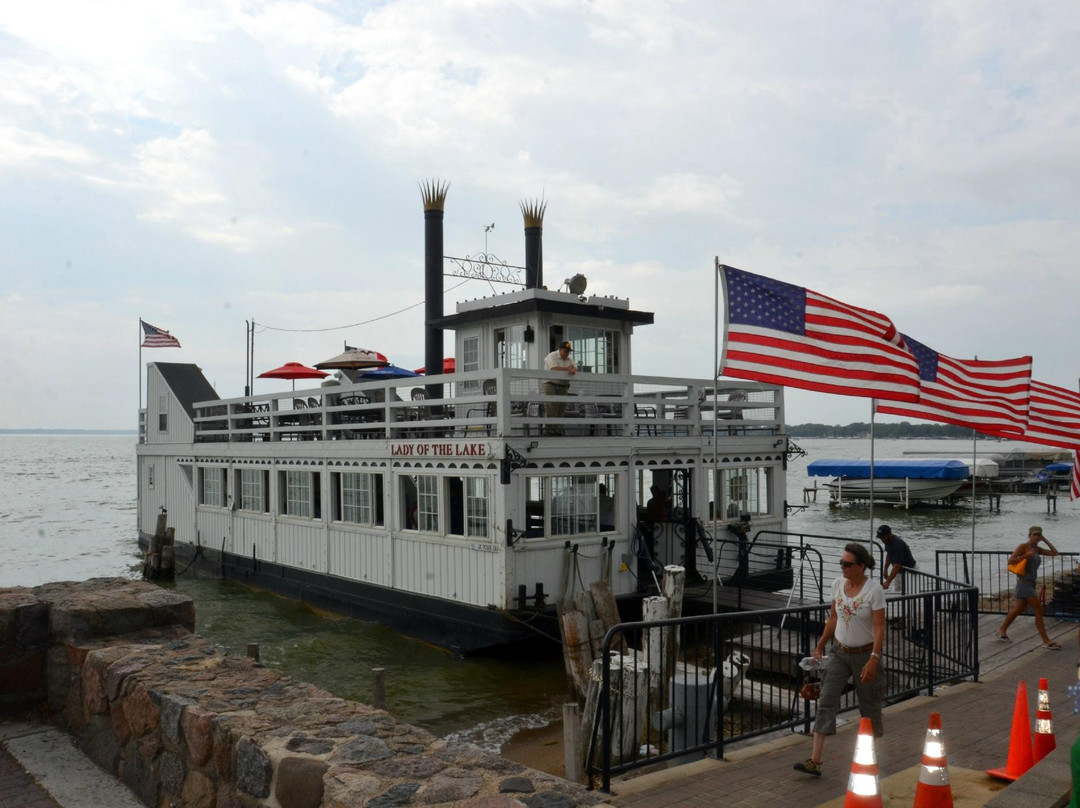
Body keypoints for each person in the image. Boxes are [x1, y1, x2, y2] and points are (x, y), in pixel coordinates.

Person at [794, 542, 886, 777]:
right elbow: (833, 619)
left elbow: (879, 627)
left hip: (865, 654)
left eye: (848, 564)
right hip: (839, 652)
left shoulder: (874, 590)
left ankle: (869, 760)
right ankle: (815, 760)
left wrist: (874, 659)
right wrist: (821, 644)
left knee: (869, 705)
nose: (843, 567)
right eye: (841, 563)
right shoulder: (837, 585)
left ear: (861, 565)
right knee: (826, 699)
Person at [996, 526, 1061, 648]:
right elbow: (1011, 560)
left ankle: (1001, 631)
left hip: (1031, 583)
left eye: (1039, 535)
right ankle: (1046, 641)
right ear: (1029, 535)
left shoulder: (1037, 549)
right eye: (1034, 535)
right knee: (1039, 610)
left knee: (1018, 609)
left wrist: (1045, 540)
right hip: (1023, 583)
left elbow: (1055, 553)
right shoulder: (1023, 546)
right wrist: (1025, 555)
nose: (1036, 537)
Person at [542, 341, 577, 435]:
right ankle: (549, 431)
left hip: (563, 386)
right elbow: (553, 369)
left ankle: (558, 430)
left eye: (568, 352)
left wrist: (573, 369)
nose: (567, 353)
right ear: (560, 350)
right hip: (551, 384)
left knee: (561, 408)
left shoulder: (569, 358)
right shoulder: (552, 356)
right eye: (566, 351)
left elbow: (575, 367)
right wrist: (568, 369)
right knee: (551, 407)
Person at [877, 525, 916, 590]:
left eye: (883, 537)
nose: (882, 540)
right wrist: (885, 569)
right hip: (899, 570)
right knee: (897, 591)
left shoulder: (897, 544)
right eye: (880, 538)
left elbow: (898, 565)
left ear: (889, 534)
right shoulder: (887, 541)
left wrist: (887, 582)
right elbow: (889, 555)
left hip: (909, 570)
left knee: (907, 593)